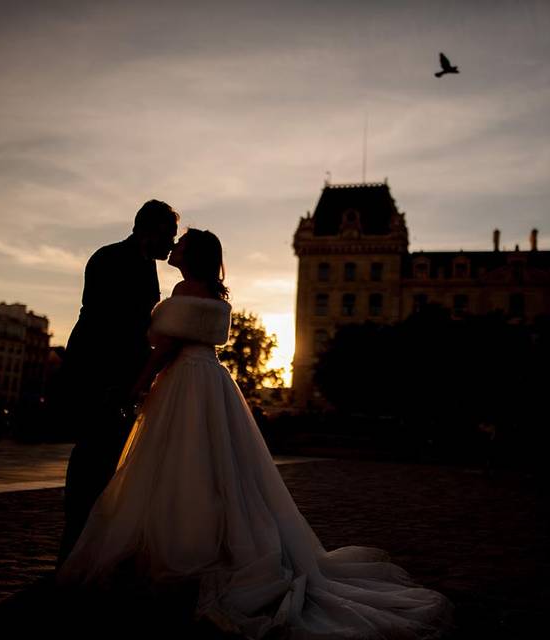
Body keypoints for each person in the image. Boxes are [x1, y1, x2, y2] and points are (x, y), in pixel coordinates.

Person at [57, 228, 452, 639]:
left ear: (191, 256)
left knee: (178, 464)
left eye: (181, 243)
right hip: (212, 378)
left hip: (183, 380)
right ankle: (222, 541)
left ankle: (178, 545)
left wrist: (137, 386)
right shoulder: (216, 294)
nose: (174, 246)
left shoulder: (182, 288)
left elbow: (164, 348)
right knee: (223, 467)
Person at [58, 200, 179, 564]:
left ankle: (88, 547)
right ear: (152, 231)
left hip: (119, 379)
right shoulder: (109, 259)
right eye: (169, 236)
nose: (172, 245)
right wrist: (114, 381)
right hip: (98, 375)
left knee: (106, 461)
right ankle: (73, 548)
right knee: (91, 461)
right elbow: (102, 325)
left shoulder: (144, 264)